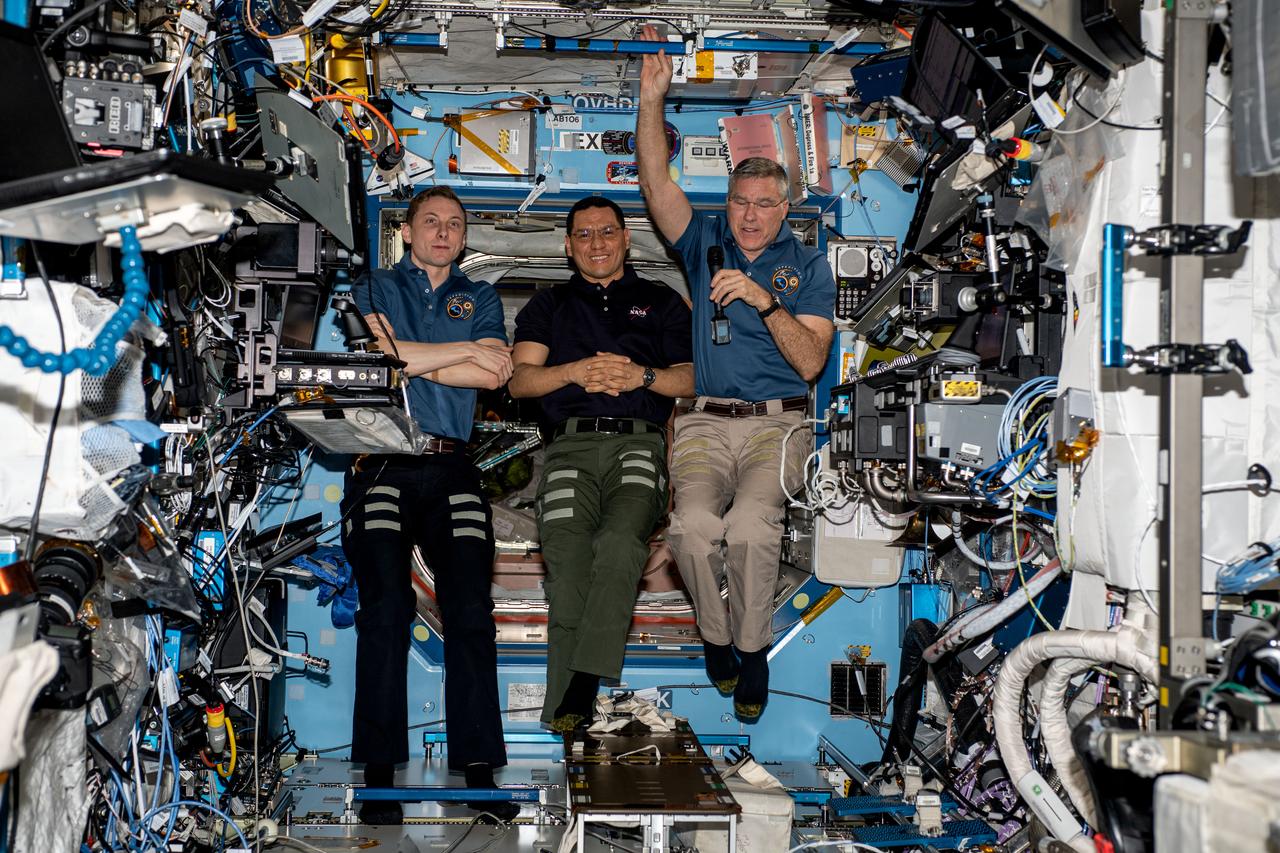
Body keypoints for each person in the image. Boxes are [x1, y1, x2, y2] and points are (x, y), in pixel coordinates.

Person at [636, 25, 837, 721]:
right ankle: (717, 636)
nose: (749, 218)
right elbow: (657, 182)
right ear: (728, 202)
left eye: (763, 206)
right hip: (704, 419)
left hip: (779, 424)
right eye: (739, 203)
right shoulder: (704, 242)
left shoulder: (809, 268)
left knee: (753, 527)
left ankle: (750, 652)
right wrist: (651, 99)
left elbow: (812, 362)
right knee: (691, 529)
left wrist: (764, 297)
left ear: (785, 210)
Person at [343, 186, 519, 824]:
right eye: (431, 222)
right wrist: (459, 353)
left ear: (463, 236)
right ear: (409, 233)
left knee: (471, 610)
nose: (443, 232)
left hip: (452, 465)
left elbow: (494, 374)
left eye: (455, 223)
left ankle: (476, 772)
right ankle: (381, 775)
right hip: (382, 465)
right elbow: (381, 359)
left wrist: (424, 361)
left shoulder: (482, 296)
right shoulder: (373, 287)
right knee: (385, 608)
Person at [508, 196, 694, 732]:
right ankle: (566, 715)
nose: (597, 244)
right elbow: (520, 381)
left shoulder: (661, 302)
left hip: (638, 444)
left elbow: (692, 379)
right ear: (568, 246)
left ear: (626, 240)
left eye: (607, 233)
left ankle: (580, 685)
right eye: (584, 235)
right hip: (568, 448)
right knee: (566, 565)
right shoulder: (548, 305)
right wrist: (574, 371)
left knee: (619, 543)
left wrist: (642, 377)